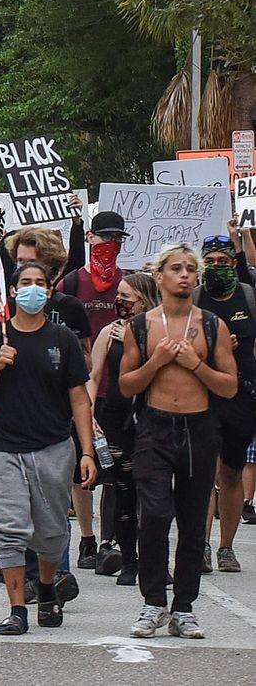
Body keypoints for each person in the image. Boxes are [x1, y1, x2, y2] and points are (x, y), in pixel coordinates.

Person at [0, 261, 98, 635]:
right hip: (2, 447)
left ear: (50, 290)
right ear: (12, 291)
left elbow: (79, 399)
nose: (33, 289)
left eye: (40, 283)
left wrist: (86, 451)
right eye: (25, 283)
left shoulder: (63, 339)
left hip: (53, 447)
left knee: (52, 530)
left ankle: (47, 588)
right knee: (9, 528)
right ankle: (17, 608)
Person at [121, 243, 237, 640]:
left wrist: (195, 364)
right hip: (154, 428)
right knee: (154, 514)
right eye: (176, 268)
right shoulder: (141, 325)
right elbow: (126, 383)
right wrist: (156, 363)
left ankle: (183, 606)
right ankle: (153, 601)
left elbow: (229, 386)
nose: (185, 275)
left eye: (190, 269)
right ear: (160, 276)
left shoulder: (211, 325)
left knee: (192, 522)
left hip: (199, 429)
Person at [56, 210, 128, 570]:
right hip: (78, 391)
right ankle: (86, 539)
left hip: (118, 392)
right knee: (81, 472)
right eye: (104, 237)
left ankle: (109, 540)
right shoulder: (71, 284)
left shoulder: (129, 283)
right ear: (89, 239)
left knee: (113, 469)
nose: (109, 245)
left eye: (117, 239)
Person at [88, 273, 160, 585]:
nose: (119, 301)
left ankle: (156, 561)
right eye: (118, 294)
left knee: (154, 494)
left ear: (143, 300)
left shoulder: (160, 329)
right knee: (123, 489)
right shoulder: (109, 331)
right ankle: (129, 561)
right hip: (116, 419)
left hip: (152, 418)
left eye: (125, 295)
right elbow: (94, 375)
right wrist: (89, 414)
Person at [194, 235, 256, 573]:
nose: (217, 267)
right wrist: (213, 345)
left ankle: (226, 548)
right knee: (205, 471)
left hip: (242, 396)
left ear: (234, 263)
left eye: (223, 261)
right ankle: (201, 545)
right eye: (211, 262)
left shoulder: (248, 297)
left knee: (231, 472)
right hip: (202, 394)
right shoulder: (196, 297)